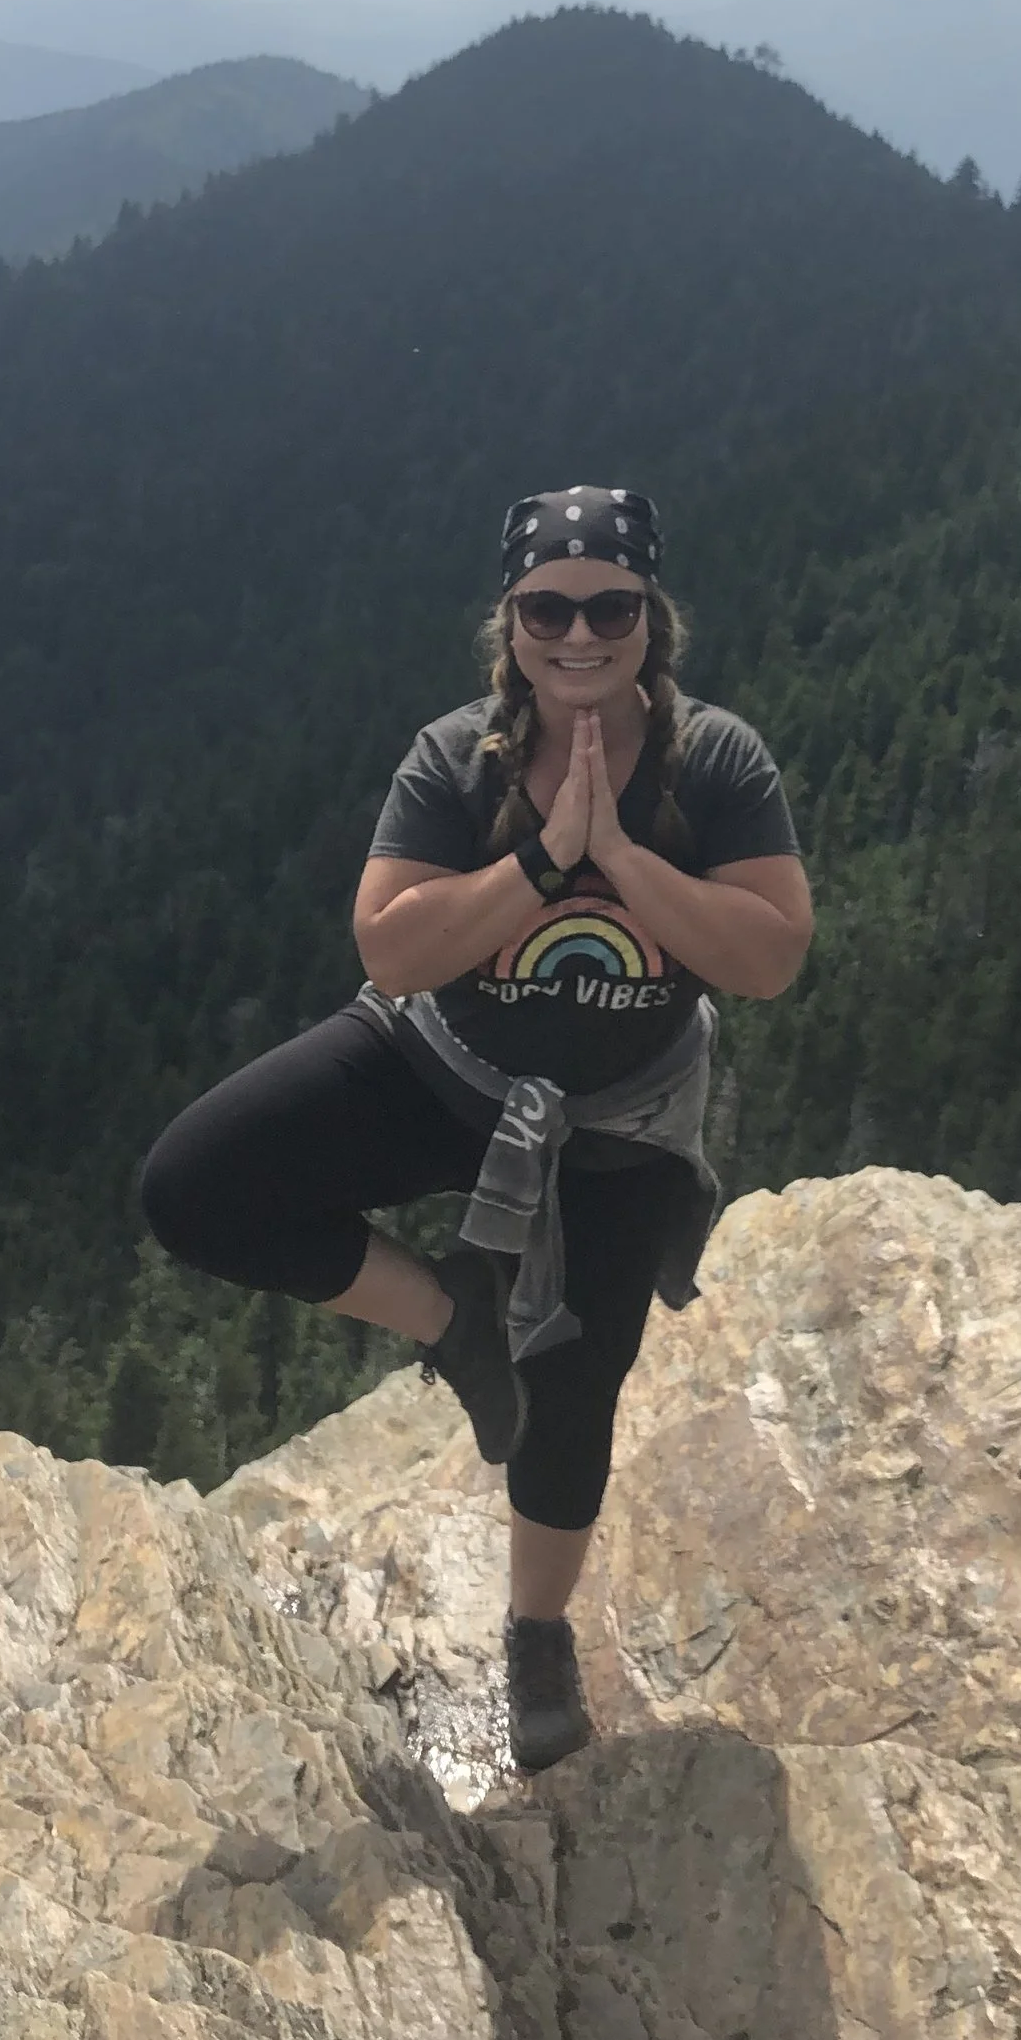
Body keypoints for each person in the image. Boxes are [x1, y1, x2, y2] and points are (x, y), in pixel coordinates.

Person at [139, 486, 813, 1771]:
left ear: (649, 619)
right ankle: (453, 1319)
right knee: (197, 1186)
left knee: (573, 1406)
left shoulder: (716, 760)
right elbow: (391, 949)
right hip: (435, 1066)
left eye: (609, 605)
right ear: (509, 623)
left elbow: (771, 955)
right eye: (545, 608)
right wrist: (545, 861)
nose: (578, 633)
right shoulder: (459, 757)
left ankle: (535, 1632)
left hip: (614, 1125)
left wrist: (621, 855)